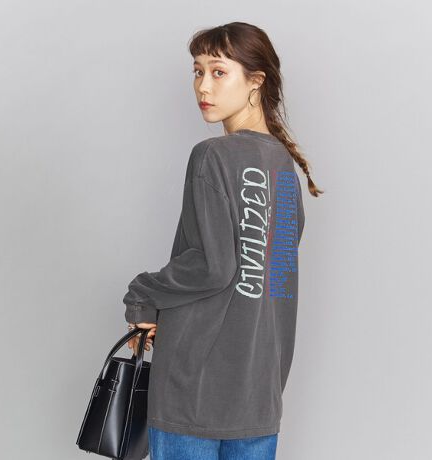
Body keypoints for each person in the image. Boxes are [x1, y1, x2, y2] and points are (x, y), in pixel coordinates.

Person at [123, 21, 323, 460]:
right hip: (258, 391)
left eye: (218, 72)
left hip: (193, 388)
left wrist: (142, 295)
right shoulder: (283, 167)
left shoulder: (212, 155)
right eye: (197, 71)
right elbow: (275, 279)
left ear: (256, 80)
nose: (203, 86)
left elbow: (213, 267)